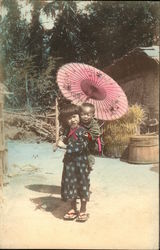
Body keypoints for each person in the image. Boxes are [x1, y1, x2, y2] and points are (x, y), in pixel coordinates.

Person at [58, 104, 90, 222]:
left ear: (79, 116)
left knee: (82, 184)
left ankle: (83, 209)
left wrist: (65, 146)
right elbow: (64, 139)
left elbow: (82, 146)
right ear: (66, 120)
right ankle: (72, 208)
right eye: (69, 118)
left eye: (75, 116)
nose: (73, 120)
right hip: (69, 163)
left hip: (81, 163)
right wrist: (59, 141)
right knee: (70, 183)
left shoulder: (83, 131)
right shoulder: (67, 131)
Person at [79, 103, 102, 171]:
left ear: (93, 115)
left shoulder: (94, 124)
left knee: (89, 155)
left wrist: (89, 135)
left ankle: (90, 164)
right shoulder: (79, 122)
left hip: (90, 143)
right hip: (80, 142)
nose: (85, 117)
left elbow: (96, 133)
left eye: (88, 115)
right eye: (82, 114)